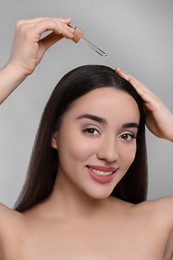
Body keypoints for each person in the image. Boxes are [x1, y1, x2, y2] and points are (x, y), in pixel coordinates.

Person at [0, 17, 173, 260]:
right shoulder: (12, 234)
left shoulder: (161, 223)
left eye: (126, 135)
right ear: (54, 134)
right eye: (91, 130)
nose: (110, 154)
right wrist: (16, 69)